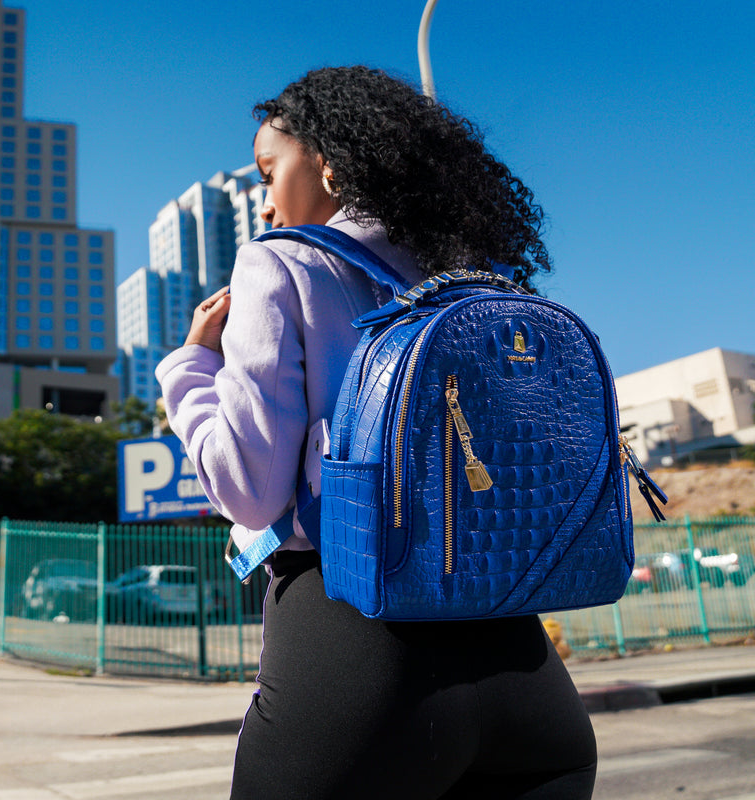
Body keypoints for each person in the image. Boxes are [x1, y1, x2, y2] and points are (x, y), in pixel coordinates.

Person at [156, 66, 597, 800]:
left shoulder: (284, 263)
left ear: (328, 160)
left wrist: (192, 367)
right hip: (522, 666)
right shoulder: (476, 273)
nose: (267, 202)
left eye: (271, 170)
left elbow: (252, 492)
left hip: (355, 651)